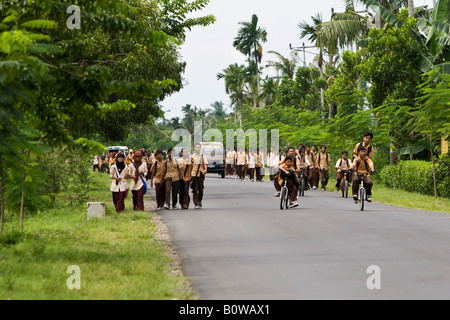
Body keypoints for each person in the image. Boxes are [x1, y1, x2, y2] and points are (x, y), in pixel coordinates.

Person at [190, 143, 207, 209]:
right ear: (194, 148)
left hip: (201, 174)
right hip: (194, 174)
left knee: (200, 189)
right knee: (195, 189)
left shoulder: (202, 156)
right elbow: (190, 166)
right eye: (197, 147)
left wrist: (205, 170)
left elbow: (205, 163)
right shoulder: (192, 156)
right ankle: (196, 203)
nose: (198, 148)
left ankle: (200, 200)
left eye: (199, 147)